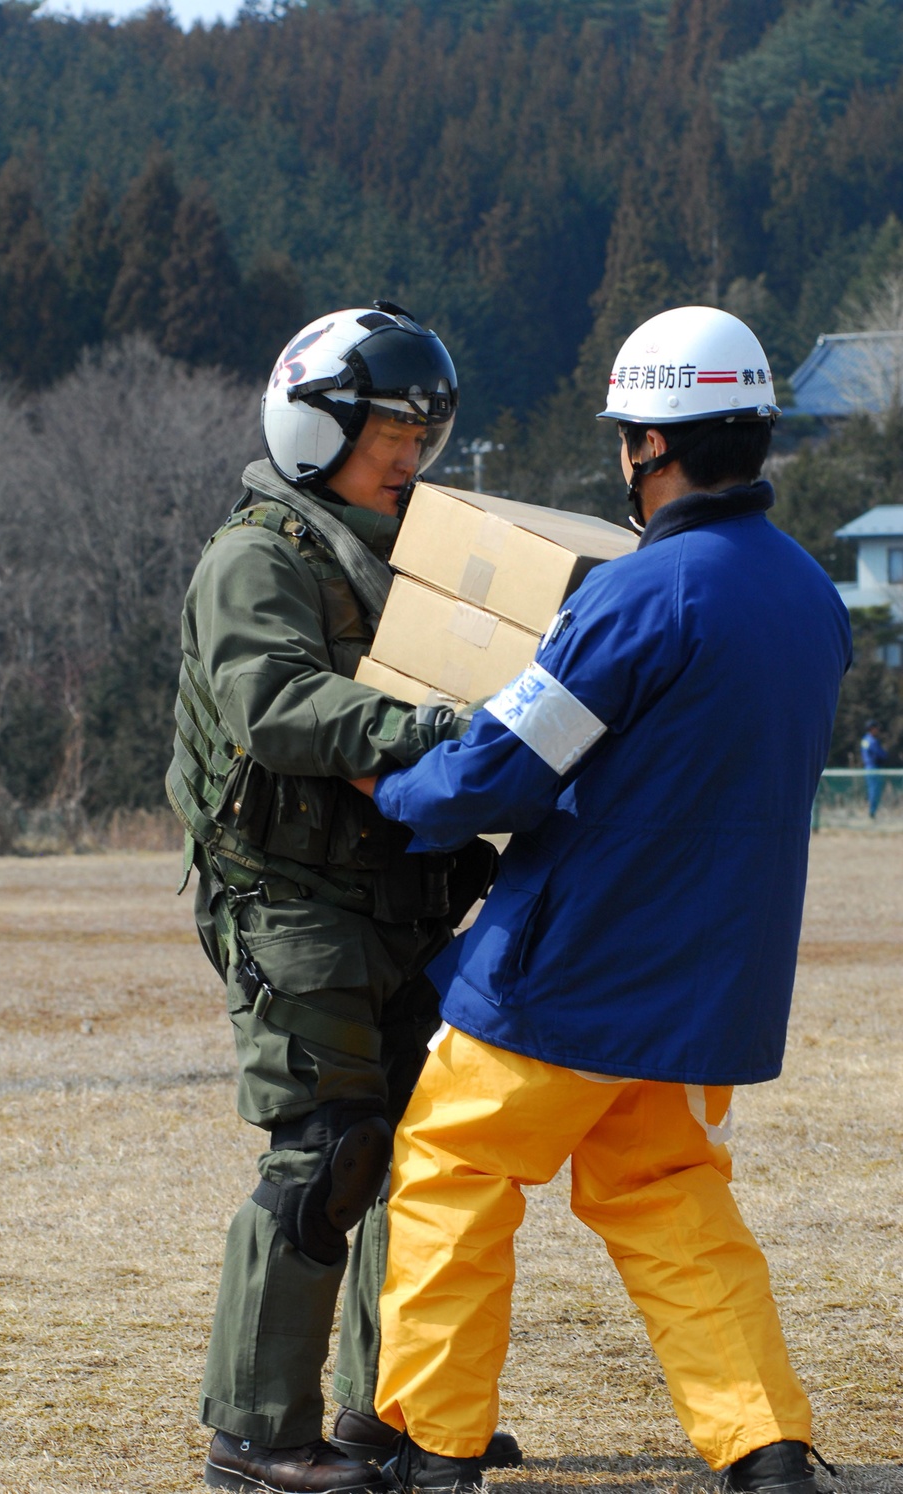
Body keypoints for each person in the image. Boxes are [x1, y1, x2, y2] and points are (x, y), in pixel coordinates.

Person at [350, 307, 853, 1494]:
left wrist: (395, 789)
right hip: (705, 994)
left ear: (650, 447)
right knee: (671, 1199)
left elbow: (506, 770)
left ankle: (433, 1447)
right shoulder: (807, 596)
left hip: (570, 974)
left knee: (452, 1171)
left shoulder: (639, 595)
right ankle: (766, 1448)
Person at [165, 302, 514, 1494]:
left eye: (424, 438)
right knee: (330, 1154)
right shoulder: (257, 556)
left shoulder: (403, 559)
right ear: (319, 430)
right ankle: (257, 1437)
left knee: (421, 1155)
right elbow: (270, 703)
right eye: (392, 437)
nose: (411, 459)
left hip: (404, 902)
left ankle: (390, 1409)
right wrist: (433, 728)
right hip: (292, 907)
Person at [860, 719, 887, 817]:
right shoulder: (872, 741)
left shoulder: (865, 740)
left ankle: (871, 811)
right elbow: (881, 754)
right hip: (873, 768)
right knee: (874, 790)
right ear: (872, 729)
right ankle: (872, 812)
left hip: (868, 768)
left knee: (872, 790)